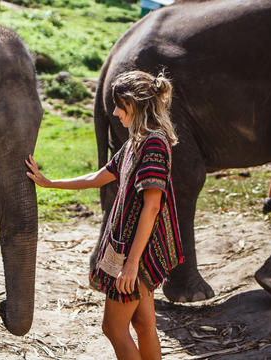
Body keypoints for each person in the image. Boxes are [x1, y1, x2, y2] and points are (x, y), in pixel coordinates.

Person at [26, 70, 183, 360]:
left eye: (118, 105)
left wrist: (131, 264)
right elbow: (101, 176)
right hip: (135, 246)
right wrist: (50, 183)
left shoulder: (153, 145)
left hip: (135, 251)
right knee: (144, 323)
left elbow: (152, 206)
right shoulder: (138, 140)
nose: (114, 112)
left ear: (134, 105)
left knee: (113, 327)